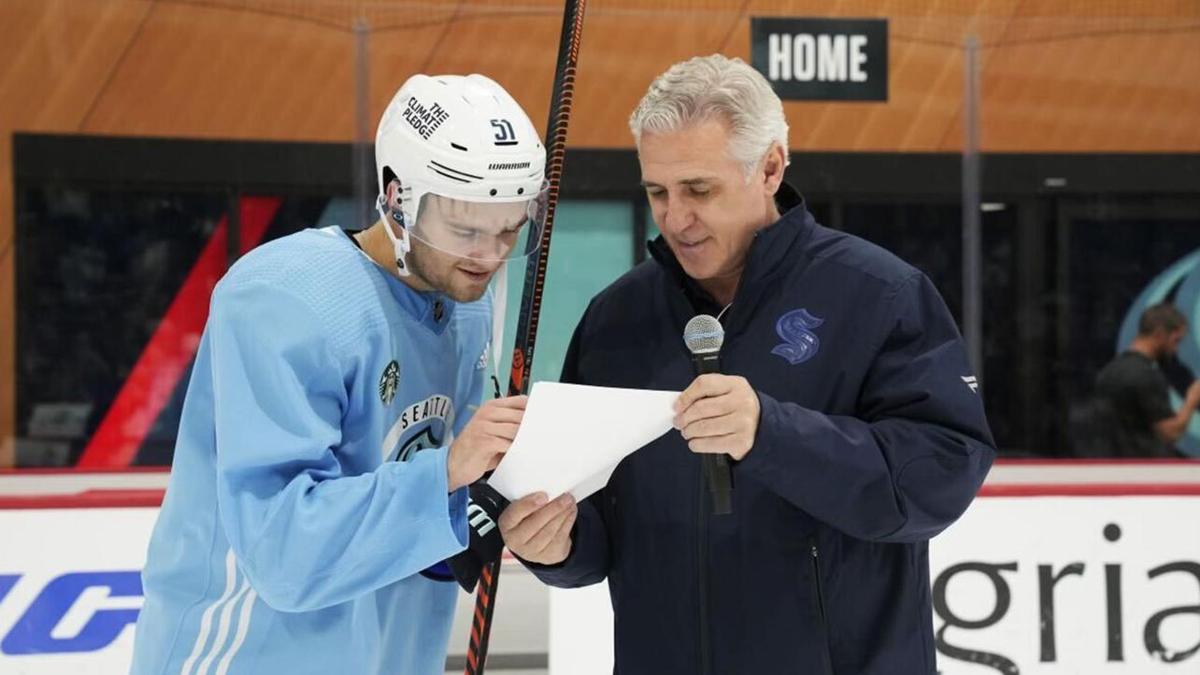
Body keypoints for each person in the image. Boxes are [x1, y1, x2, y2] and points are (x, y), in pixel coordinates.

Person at [498, 55, 996, 674]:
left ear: (769, 167)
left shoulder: (879, 295)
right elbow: (594, 526)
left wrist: (772, 434)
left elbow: (939, 477)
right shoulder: (615, 320)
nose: (676, 218)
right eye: (658, 191)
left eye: (700, 190)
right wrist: (558, 545)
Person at [130, 73, 546, 674]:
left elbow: (422, 498)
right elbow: (281, 555)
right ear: (398, 197)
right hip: (249, 654)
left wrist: (479, 504)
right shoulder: (282, 300)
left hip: (392, 651)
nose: (489, 255)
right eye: (465, 231)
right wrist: (448, 474)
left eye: (510, 229)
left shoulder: (468, 302)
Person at [1092, 302, 1200, 457]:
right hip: (1143, 470)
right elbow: (1170, 433)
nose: (1175, 350)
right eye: (1175, 341)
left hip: (1111, 467)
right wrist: (1192, 400)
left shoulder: (1108, 372)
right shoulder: (1146, 376)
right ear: (1159, 334)